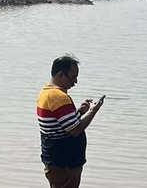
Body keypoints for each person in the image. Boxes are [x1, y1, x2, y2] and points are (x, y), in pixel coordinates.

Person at [36, 54, 103, 188]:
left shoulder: (46, 92)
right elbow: (75, 130)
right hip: (64, 163)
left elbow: (60, 124)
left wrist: (79, 112)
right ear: (61, 74)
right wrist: (93, 111)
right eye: (73, 77)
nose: (75, 81)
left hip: (56, 160)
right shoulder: (58, 97)